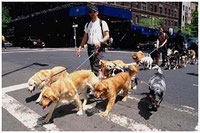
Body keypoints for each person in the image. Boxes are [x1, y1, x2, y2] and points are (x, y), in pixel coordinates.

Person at [76, 6, 109, 76]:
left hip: (98, 47)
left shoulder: (102, 23)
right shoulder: (88, 24)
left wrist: (100, 42)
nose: (92, 13)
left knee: (95, 66)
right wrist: (80, 48)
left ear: (97, 13)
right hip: (90, 47)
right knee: (92, 66)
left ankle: (96, 84)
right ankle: (97, 82)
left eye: (94, 12)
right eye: (90, 12)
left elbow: (107, 36)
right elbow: (85, 37)